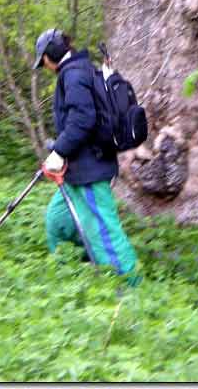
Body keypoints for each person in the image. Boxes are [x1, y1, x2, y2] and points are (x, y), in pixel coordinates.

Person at [33, 28, 139, 281]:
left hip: (90, 169)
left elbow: (83, 119)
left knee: (104, 231)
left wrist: (59, 151)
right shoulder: (79, 71)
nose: (44, 66)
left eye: (43, 60)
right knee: (58, 223)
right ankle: (79, 275)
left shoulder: (75, 74)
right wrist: (59, 150)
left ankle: (131, 288)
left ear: (51, 55)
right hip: (76, 170)